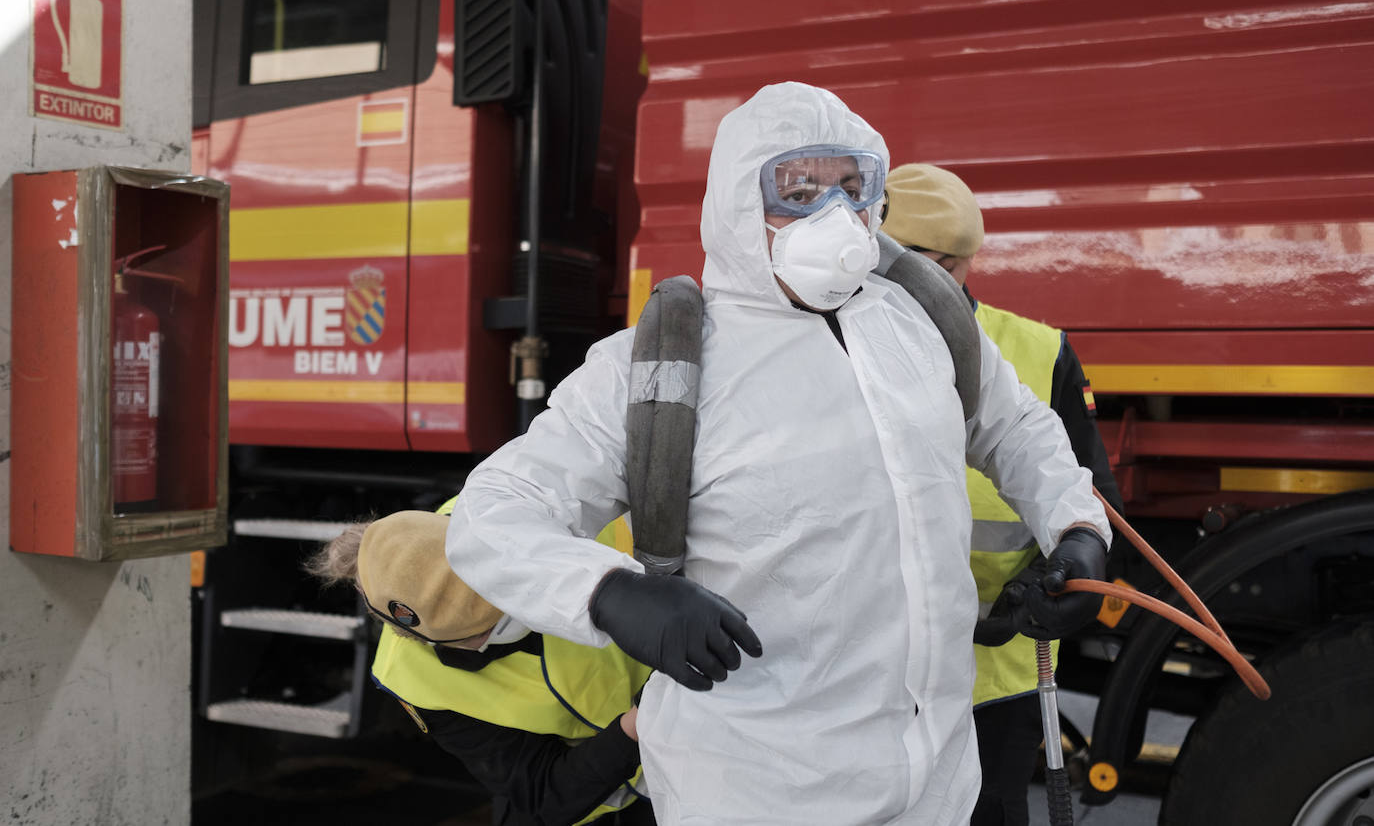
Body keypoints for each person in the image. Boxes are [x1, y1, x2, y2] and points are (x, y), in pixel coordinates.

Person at [444, 81, 1111, 825]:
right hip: (754, 791)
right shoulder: (661, 367)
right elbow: (494, 514)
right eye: (795, 191)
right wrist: (608, 591)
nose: (831, 214)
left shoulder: (918, 323)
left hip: (936, 781)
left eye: (851, 188)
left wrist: (1076, 529)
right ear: (735, 203)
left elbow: (1018, 428)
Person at [881, 162, 1126, 826]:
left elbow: (1093, 501)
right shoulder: (836, 346)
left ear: (961, 265)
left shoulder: (1033, 353)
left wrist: (1070, 568)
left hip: (993, 684)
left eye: (934, 267)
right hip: (869, 677)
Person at [306, 508, 655, 826]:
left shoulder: (511, 501)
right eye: (494, 627)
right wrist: (640, 723)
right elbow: (543, 791)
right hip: (628, 775)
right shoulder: (414, 679)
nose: (518, 616)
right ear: (432, 642)